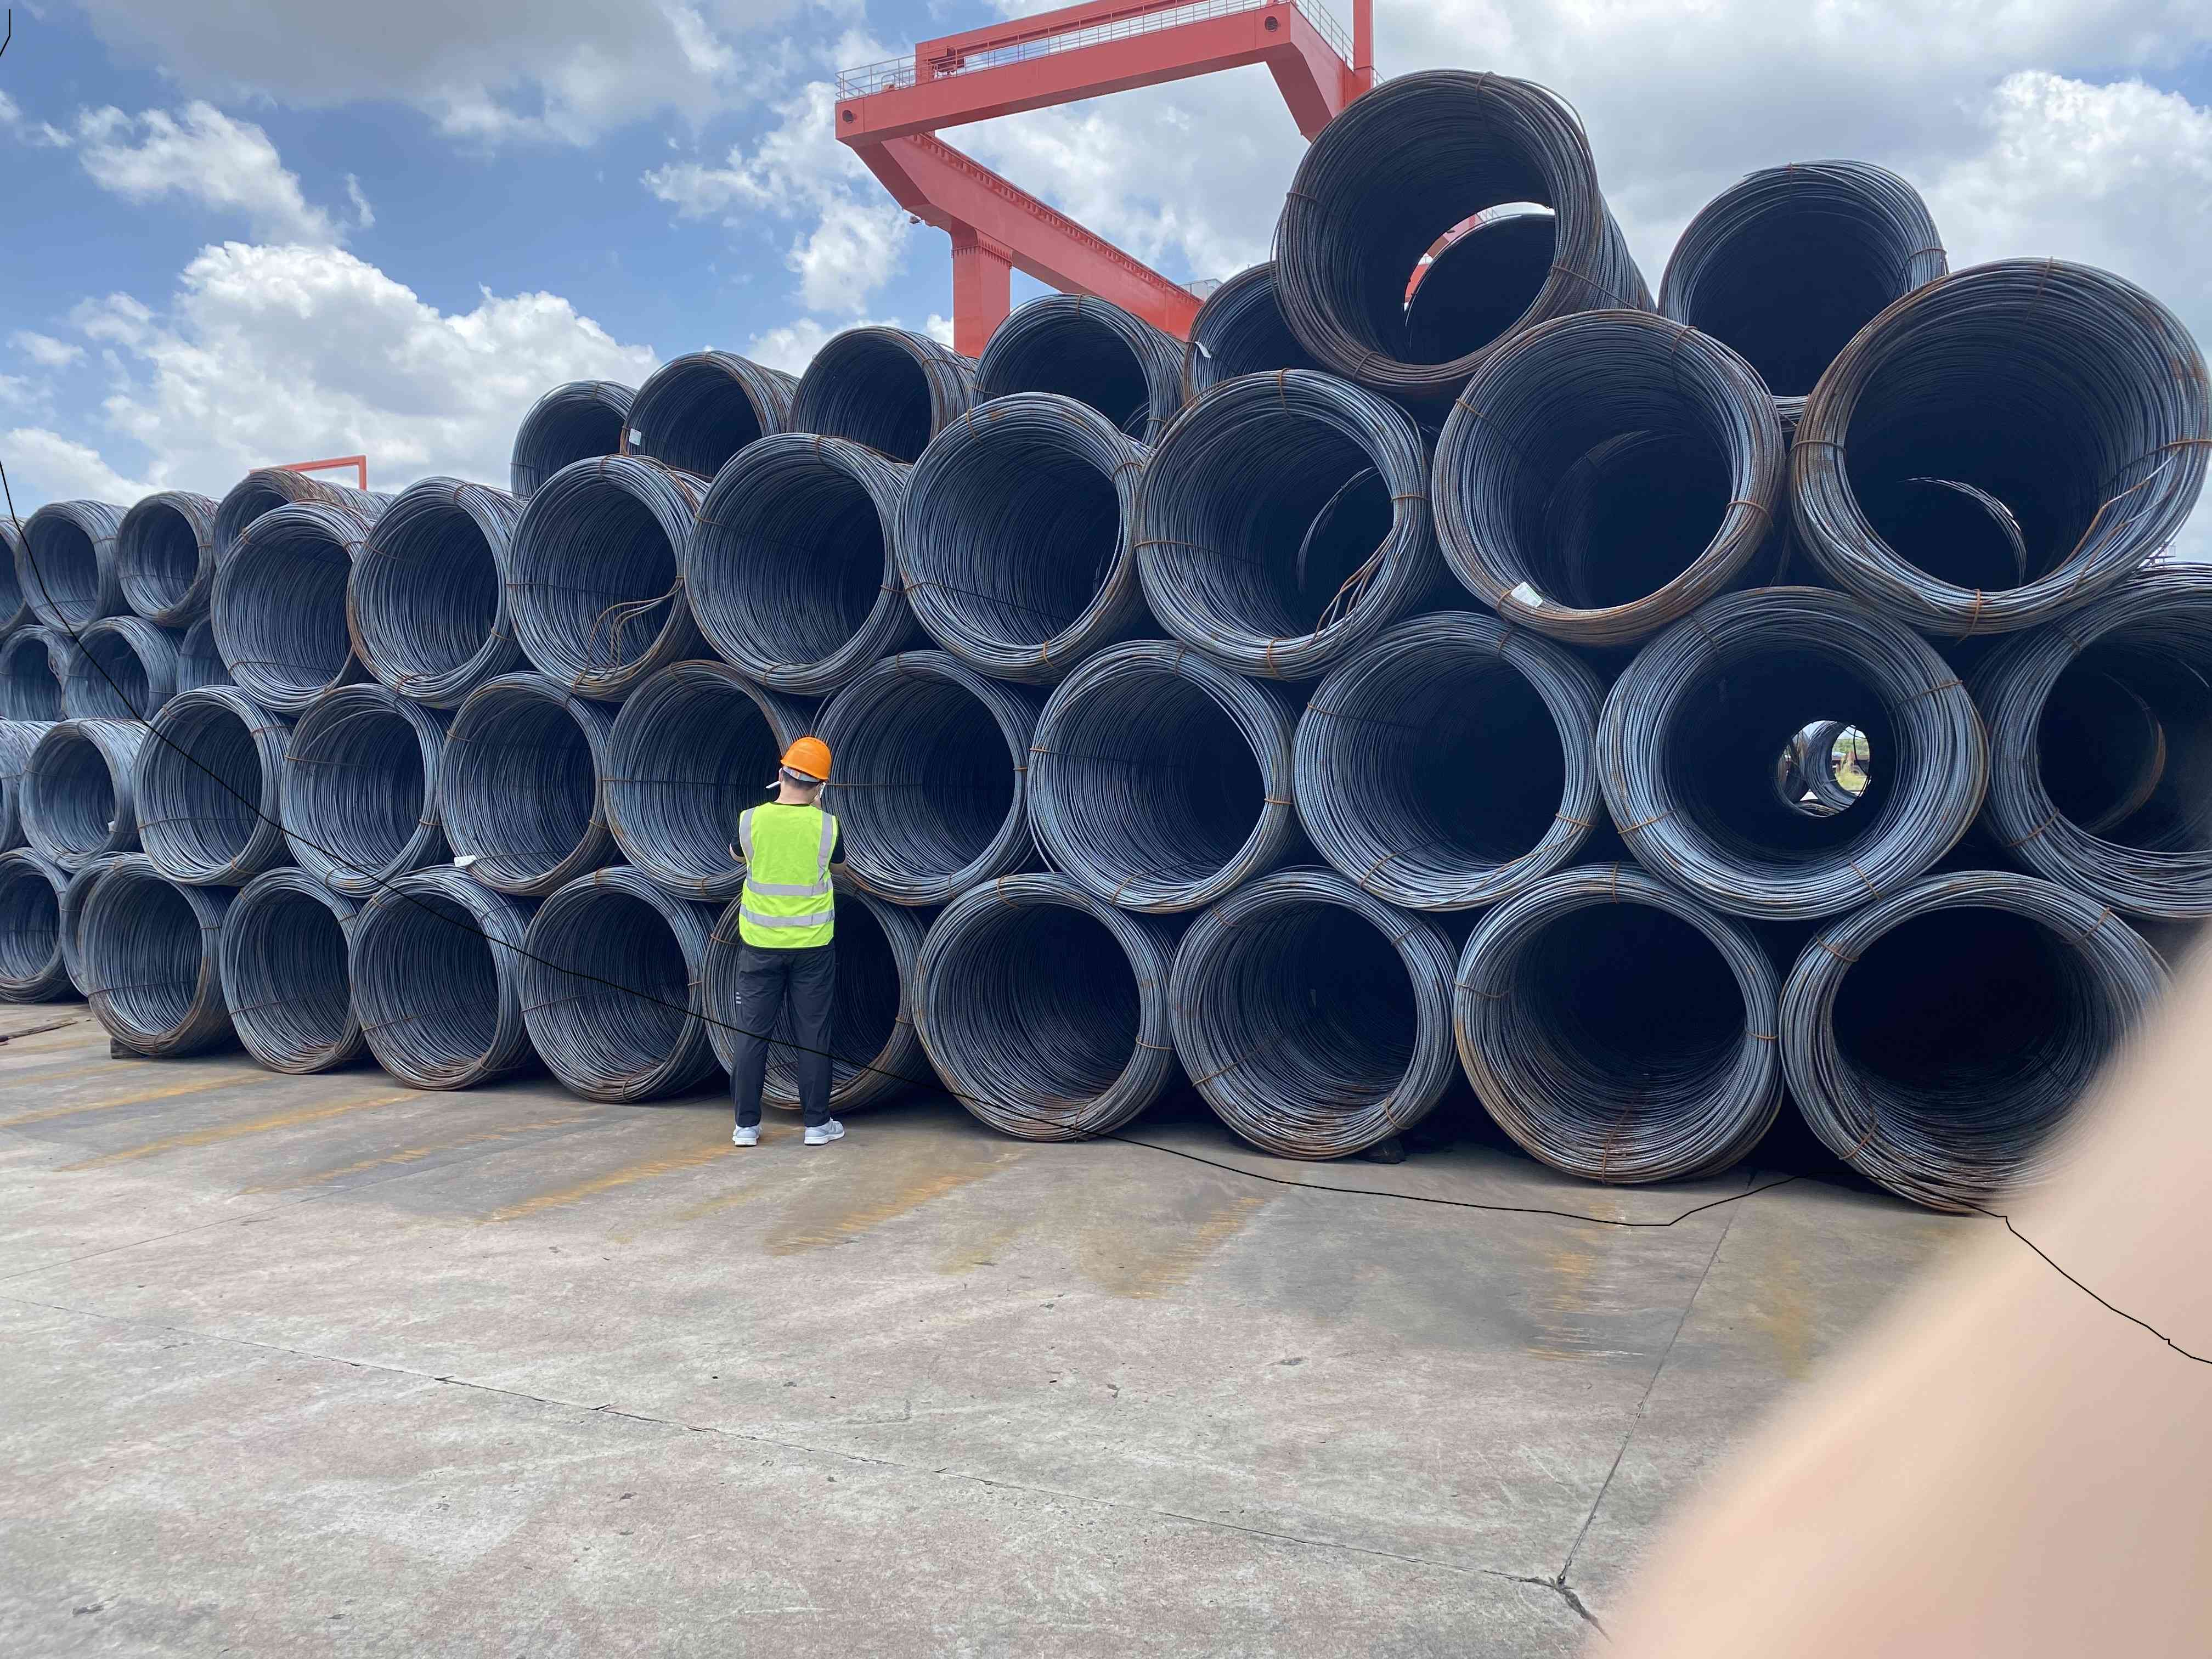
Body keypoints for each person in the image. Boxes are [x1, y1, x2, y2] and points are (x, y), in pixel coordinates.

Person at [725, 736, 842, 1148]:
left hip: (760, 946)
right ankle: (817, 1125)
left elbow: (739, 855)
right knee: (813, 1033)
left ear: (781, 775)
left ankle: (746, 1126)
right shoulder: (827, 826)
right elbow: (838, 864)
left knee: (752, 1034)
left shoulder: (750, 821)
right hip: (813, 947)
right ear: (820, 787)